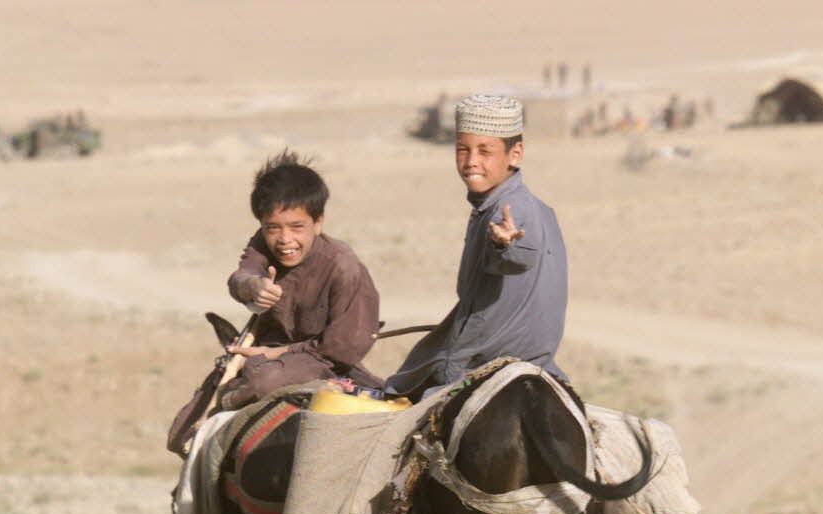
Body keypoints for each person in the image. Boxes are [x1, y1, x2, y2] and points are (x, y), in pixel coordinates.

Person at [385, 94, 569, 400]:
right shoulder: (532, 207)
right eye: (463, 150)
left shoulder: (508, 211)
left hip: (485, 359)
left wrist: (504, 245)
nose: (471, 162)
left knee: (395, 405)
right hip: (541, 363)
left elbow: (518, 257)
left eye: (485, 151)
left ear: (515, 153)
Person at [219, 150, 381, 409]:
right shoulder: (263, 241)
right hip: (266, 351)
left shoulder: (343, 266)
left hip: (321, 362)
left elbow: (341, 349)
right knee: (184, 427)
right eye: (273, 228)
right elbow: (242, 276)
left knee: (264, 380)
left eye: (297, 227)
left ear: (318, 223)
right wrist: (253, 287)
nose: (284, 240)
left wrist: (276, 354)